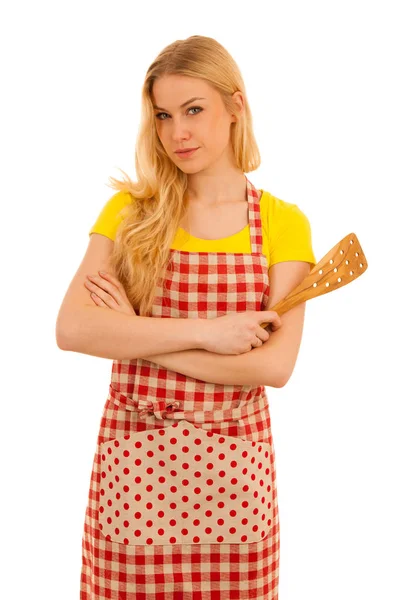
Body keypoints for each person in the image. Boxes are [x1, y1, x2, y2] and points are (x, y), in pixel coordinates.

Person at [56, 35, 316, 600]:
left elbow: (274, 367)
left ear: (235, 106)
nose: (178, 133)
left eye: (194, 110)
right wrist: (210, 334)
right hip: (136, 470)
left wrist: (133, 335)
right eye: (163, 116)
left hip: (234, 478)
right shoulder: (129, 213)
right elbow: (72, 328)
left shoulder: (282, 222)